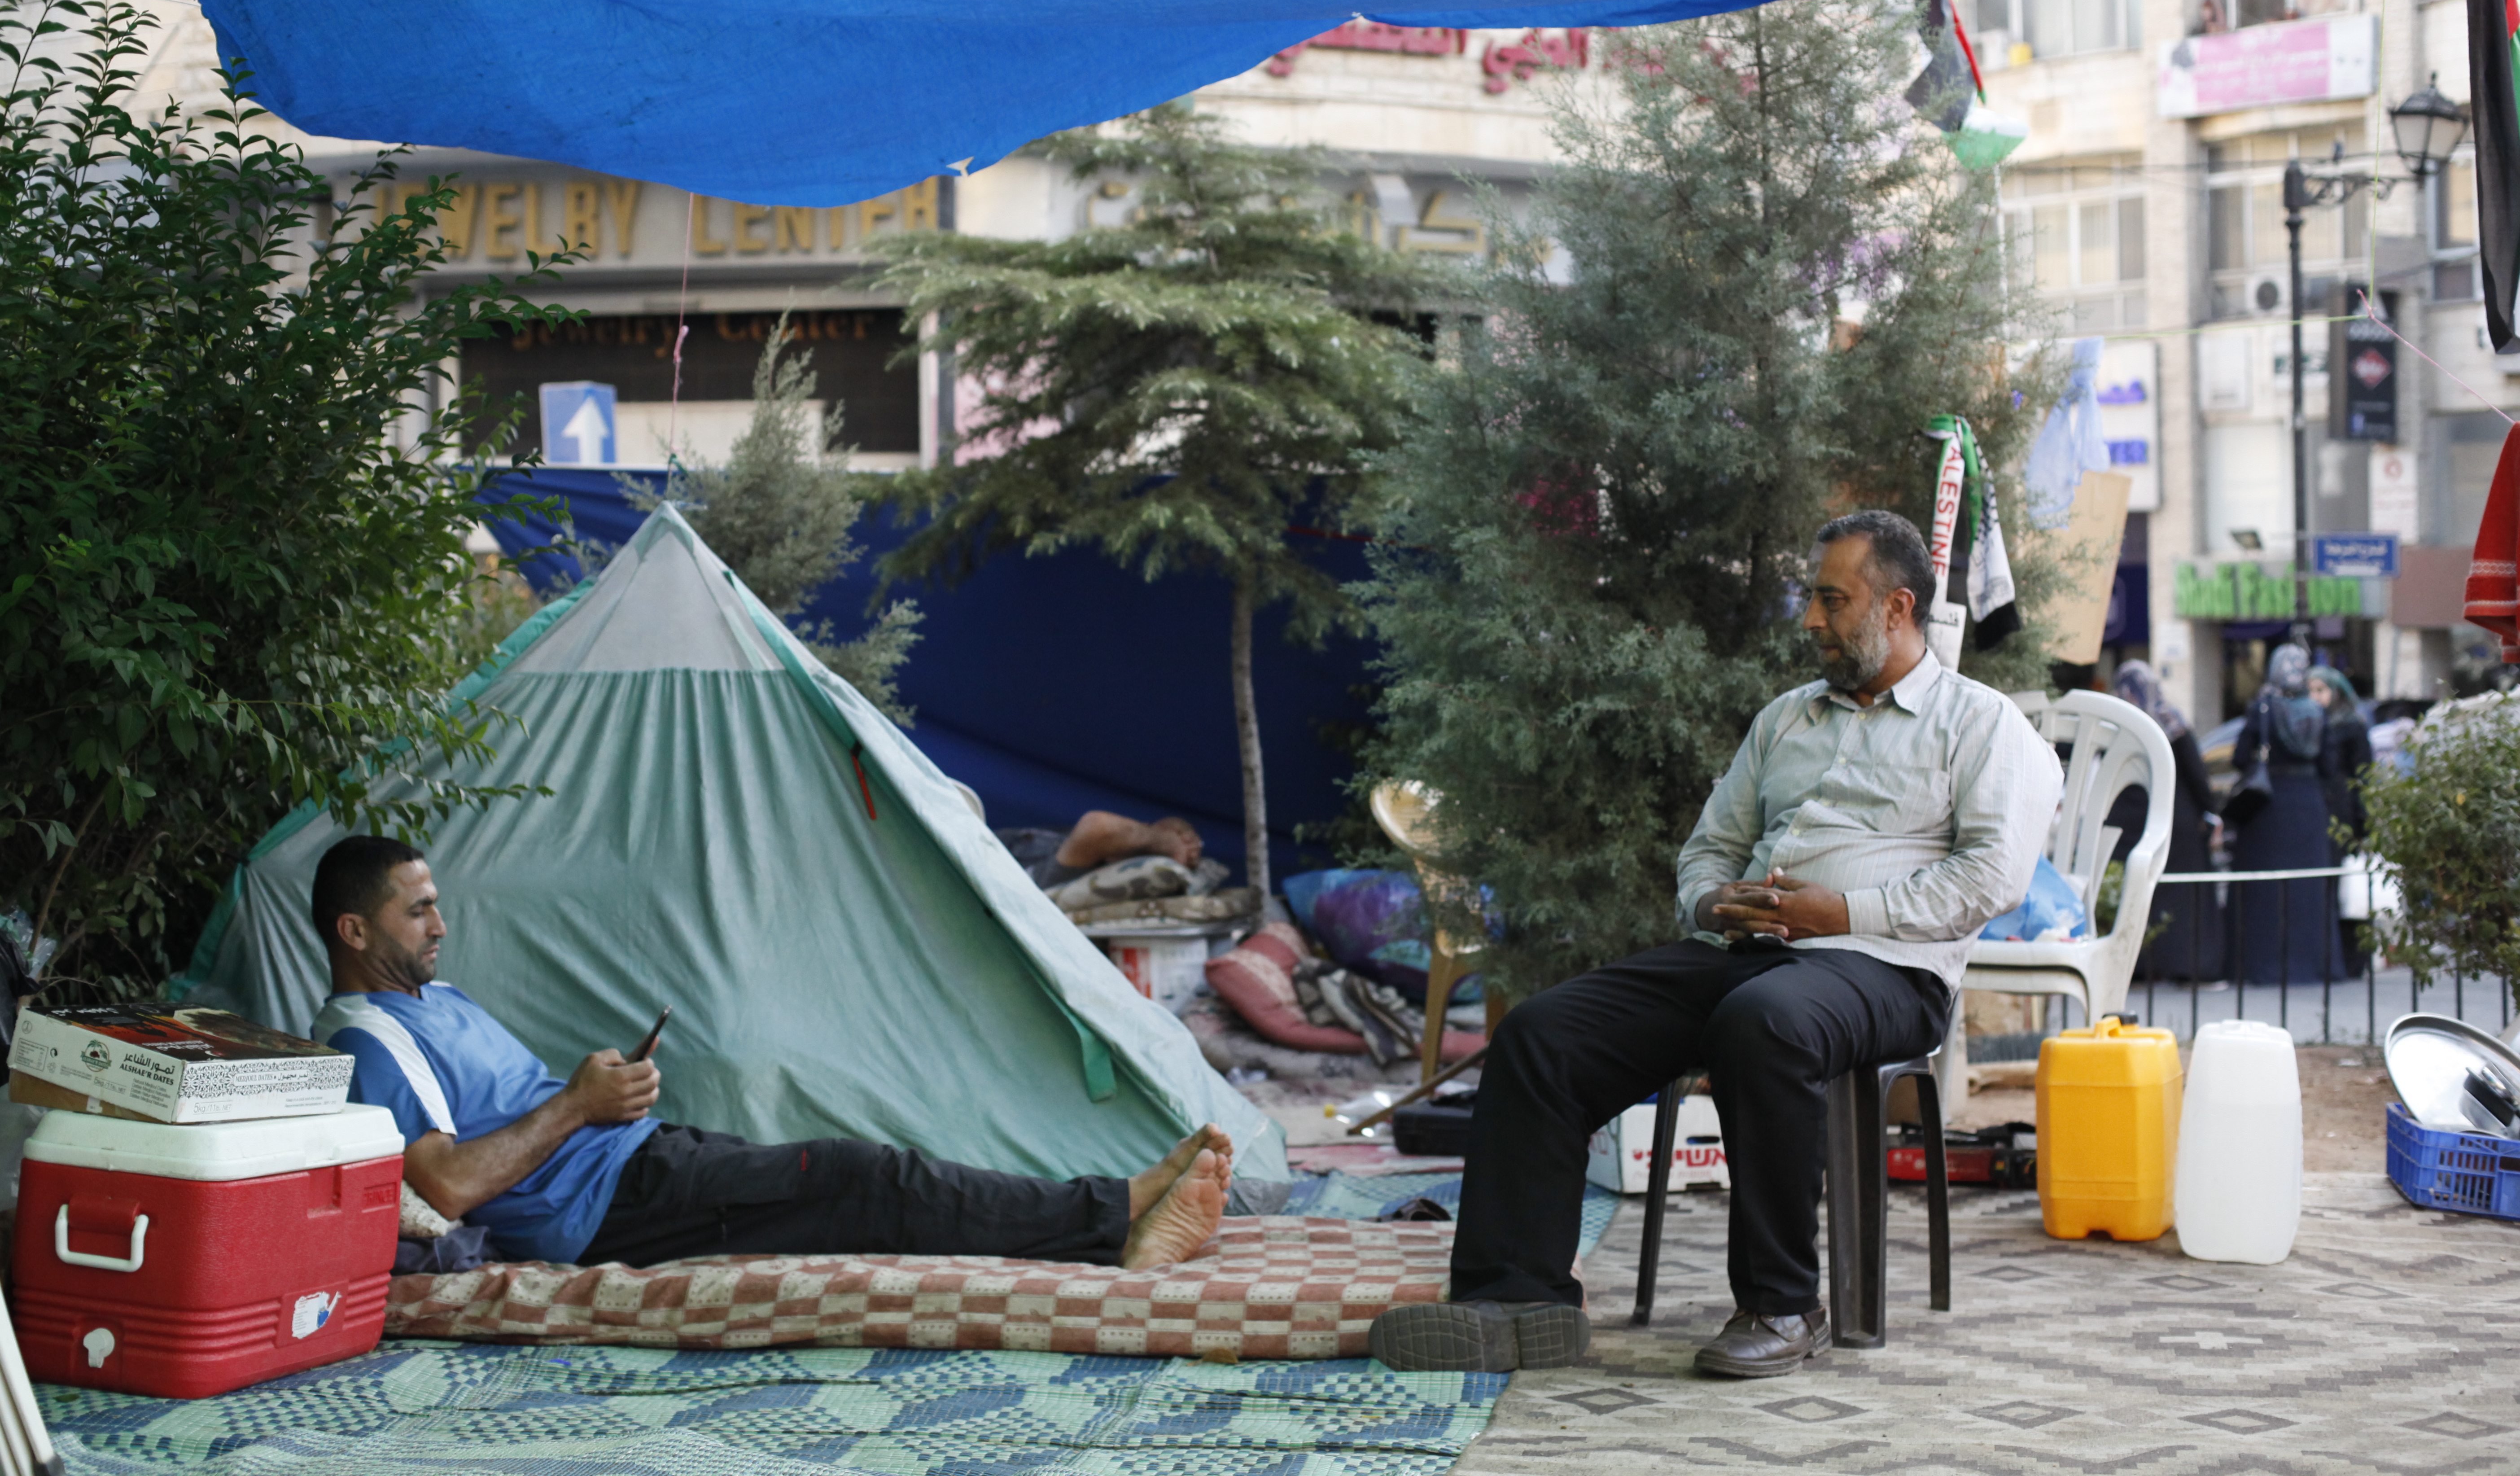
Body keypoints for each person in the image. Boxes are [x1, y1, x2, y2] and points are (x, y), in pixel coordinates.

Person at [1367, 511, 2060, 1377]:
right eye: (1812, 597)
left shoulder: (1983, 726)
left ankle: (1781, 1304)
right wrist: (1711, 900)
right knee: (1543, 1033)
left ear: (1899, 605)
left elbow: (1988, 881)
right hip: (1748, 952)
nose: (1811, 618)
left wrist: (1838, 912)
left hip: (1887, 969)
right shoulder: (1785, 720)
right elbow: (1707, 849)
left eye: (1831, 599)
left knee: (1763, 1019)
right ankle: (1517, 1299)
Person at [309, 834, 1231, 1269]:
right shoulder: (369, 1041)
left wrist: (609, 1095)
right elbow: (445, 1188)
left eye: (436, 902)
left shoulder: (430, 996)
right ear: (355, 929)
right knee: (871, 1180)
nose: (442, 922)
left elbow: (510, 1114)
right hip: (603, 1209)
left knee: (855, 1178)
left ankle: (1112, 1212)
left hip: (634, 1162)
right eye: (417, 910)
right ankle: (1116, 1219)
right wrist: (579, 1107)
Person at [2230, 644, 2350, 983]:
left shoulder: (2264, 708)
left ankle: (2265, 967)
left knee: (2266, 893)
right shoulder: (2317, 712)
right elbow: (2329, 766)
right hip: (2309, 810)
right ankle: (2314, 966)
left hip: (2269, 810)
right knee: (2309, 892)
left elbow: (2241, 758)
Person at [2108, 661, 2222, 981]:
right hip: (2175, 821)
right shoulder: (2172, 722)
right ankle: (2189, 967)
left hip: (2129, 823)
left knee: (2138, 896)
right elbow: (2195, 774)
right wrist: (2209, 813)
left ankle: (2140, 967)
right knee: (2185, 901)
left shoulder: (2119, 724)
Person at [2310, 664, 2374, 978]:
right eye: (2311, 691)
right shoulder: (2312, 724)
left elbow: (2364, 776)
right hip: (2322, 809)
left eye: (2321, 690)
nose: (2315, 697)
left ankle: (2350, 960)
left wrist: (2364, 823)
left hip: (2344, 811)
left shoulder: (2351, 725)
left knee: (2345, 887)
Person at [996, 812, 1204, 893]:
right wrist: (1164, 841)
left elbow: (1176, 827)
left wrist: (1164, 838)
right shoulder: (1036, 881)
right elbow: (1099, 828)